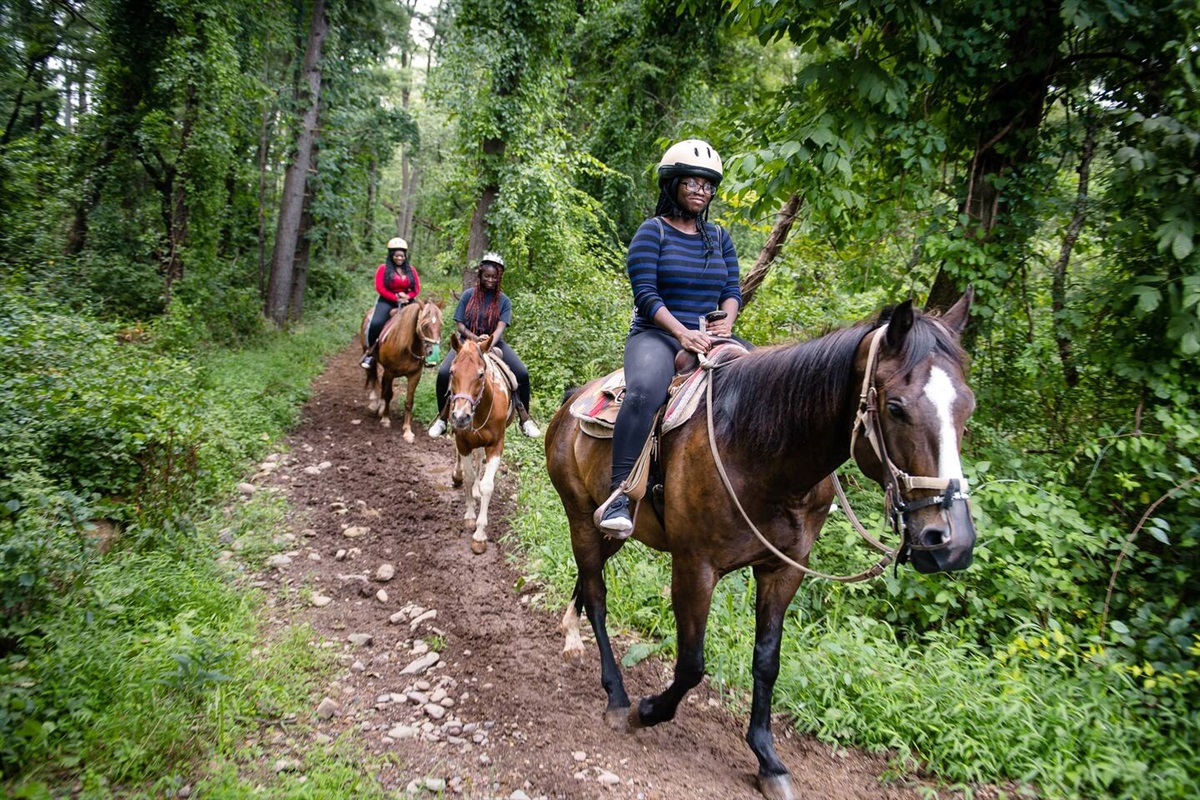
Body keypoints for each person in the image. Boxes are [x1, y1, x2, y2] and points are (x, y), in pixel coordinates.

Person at [597, 139, 747, 537]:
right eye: (693, 183)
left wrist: (725, 324)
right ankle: (620, 494)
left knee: (767, 381)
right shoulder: (652, 233)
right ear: (673, 184)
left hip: (711, 336)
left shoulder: (719, 238)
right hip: (658, 335)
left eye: (708, 185)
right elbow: (646, 295)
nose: (702, 191)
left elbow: (732, 289)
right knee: (645, 391)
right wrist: (684, 334)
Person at [427, 252, 541, 438]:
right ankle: (441, 418)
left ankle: (524, 418)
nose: (490, 280)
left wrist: (486, 343)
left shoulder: (504, 301)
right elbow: (460, 325)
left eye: (494, 277)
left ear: (499, 278)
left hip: (493, 343)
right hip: (465, 343)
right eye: (487, 276)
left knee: (522, 373)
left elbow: (500, 327)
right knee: (442, 373)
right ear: (480, 275)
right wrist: (474, 338)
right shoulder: (468, 296)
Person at [361, 237, 421, 369]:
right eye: (397, 255)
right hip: (388, 301)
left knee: (422, 322)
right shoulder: (383, 269)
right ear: (391, 255)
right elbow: (380, 288)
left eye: (402, 255)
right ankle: (370, 352)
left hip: (408, 301)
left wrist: (407, 296)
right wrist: (396, 298)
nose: (399, 258)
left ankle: (423, 355)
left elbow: (416, 288)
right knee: (376, 323)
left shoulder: (411, 270)